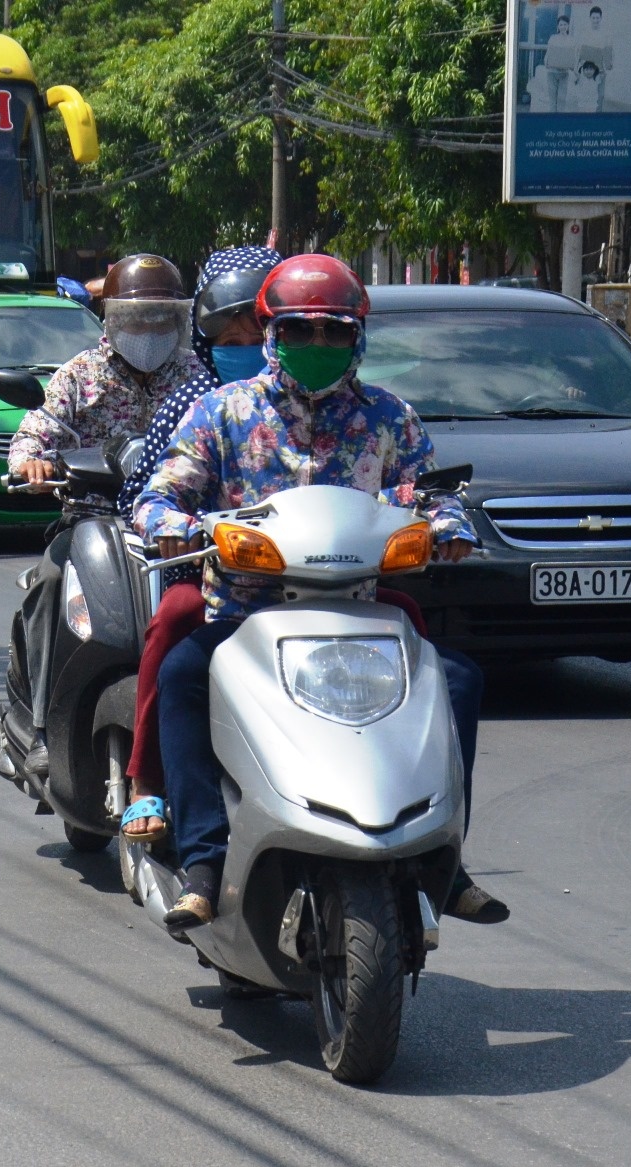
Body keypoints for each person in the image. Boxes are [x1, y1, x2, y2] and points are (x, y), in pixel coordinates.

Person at [135, 254, 508, 930]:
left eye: (335, 333)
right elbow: (162, 494)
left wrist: (448, 526)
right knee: (186, 672)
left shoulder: (389, 417)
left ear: (358, 339)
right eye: (301, 332)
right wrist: (175, 526)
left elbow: (430, 492)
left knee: (458, 682)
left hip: (360, 619)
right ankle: (202, 862)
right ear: (272, 334)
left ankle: (444, 862)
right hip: (249, 617)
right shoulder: (222, 412)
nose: (318, 346)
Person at [6, 253, 207, 775]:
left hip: (178, 533)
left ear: (180, 320)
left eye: (162, 317)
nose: (149, 329)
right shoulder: (80, 375)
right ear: (112, 319)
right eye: (136, 317)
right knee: (50, 585)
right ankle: (45, 727)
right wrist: (30, 459)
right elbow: (38, 429)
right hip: (91, 520)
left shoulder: (197, 377)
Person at [115, 244, 283, 844]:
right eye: (228, 329)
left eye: (258, 326)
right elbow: (143, 495)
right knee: (176, 619)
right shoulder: (196, 404)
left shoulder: (357, 412)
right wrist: (181, 527)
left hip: (323, 578)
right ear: (204, 332)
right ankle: (146, 780)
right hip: (217, 575)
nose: (243, 340)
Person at [541, 14, 577, 111]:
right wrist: (546, 62)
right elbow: (549, 53)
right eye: (561, 25)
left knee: (562, 99)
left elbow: (572, 56)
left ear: (568, 26)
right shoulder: (553, 38)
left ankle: (560, 121)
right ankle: (552, 121)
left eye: (565, 24)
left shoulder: (571, 40)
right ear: (558, 26)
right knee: (552, 100)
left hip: (564, 73)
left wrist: (573, 66)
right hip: (552, 73)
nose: (563, 27)